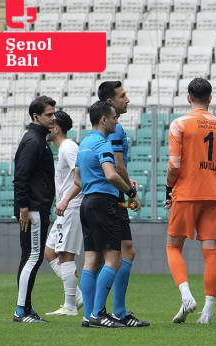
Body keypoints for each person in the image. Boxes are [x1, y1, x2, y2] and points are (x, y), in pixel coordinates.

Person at [164, 78, 216, 324]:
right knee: (211, 252)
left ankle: (186, 296)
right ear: (210, 98)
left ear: (188, 98)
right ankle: (207, 310)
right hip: (212, 195)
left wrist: (168, 187)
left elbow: (174, 165)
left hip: (186, 193)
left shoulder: (179, 124)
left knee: (173, 246)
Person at [77, 101, 140, 328]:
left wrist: (93, 185)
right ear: (104, 119)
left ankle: (89, 316)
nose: (117, 121)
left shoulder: (84, 143)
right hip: (104, 203)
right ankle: (99, 313)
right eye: (114, 117)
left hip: (87, 202)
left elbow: (77, 178)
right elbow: (111, 175)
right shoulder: (103, 144)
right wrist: (130, 191)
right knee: (113, 259)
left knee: (91, 260)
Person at [97, 81, 148, 327]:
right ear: (110, 102)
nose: (127, 99)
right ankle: (115, 311)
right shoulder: (114, 130)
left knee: (102, 256)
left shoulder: (104, 132)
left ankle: (99, 311)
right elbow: (118, 165)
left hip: (104, 195)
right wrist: (131, 192)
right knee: (122, 252)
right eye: (122, 96)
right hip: (113, 196)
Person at [12, 96, 56, 323]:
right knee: (33, 257)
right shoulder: (33, 141)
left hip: (36, 207)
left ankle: (26, 308)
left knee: (30, 257)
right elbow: (20, 177)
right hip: (33, 210)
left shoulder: (39, 139)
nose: (53, 117)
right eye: (49, 114)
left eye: (54, 113)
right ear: (36, 116)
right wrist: (24, 208)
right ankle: (21, 311)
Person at [44, 111, 84, 316]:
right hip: (64, 209)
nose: (46, 128)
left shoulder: (68, 148)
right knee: (50, 252)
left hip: (71, 208)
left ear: (57, 128)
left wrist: (66, 199)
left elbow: (80, 177)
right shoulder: (63, 149)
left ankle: (70, 306)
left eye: (49, 124)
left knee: (65, 254)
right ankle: (76, 295)